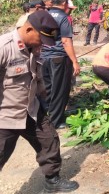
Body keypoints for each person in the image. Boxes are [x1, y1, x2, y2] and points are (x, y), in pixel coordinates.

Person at [0, 10, 79, 193]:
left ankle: (52, 180)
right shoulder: (4, 47)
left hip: (31, 110)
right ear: (29, 30)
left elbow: (38, 78)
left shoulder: (34, 48)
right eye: (41, 40)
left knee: (49, 140)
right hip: (6, 114)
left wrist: (45, 101)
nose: (43, 45)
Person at [41, 0, 81, 129]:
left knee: (49, 88)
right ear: (64, 2)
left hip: (44, 57)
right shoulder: (64, 18)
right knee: (60, 89)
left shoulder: (43, 15)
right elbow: (65, 40)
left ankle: (46, 116)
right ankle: (56, 122)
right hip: (59, 57)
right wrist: (74, 61)